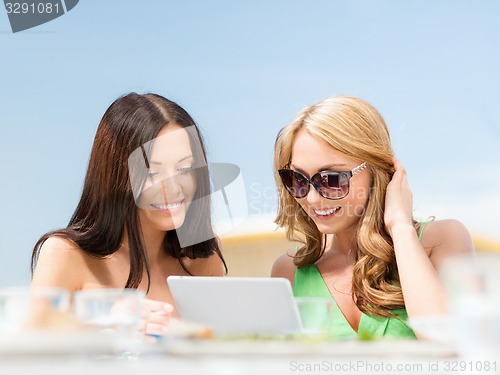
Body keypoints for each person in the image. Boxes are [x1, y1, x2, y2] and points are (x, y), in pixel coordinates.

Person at [271, 95, 475, 340]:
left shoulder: (444, 240)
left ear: (376, 171)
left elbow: (449, 348)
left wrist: (400, 228)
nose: (312, 199)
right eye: (297, 180)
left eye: (331, 179)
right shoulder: (290, 272)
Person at [31, 92, 226, 335]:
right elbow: (27, 349)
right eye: (152, 173)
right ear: (116, 176)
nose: (173, 188)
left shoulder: (203, 259)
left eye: (185, 168)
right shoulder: (66, 254)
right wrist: (102, 327)